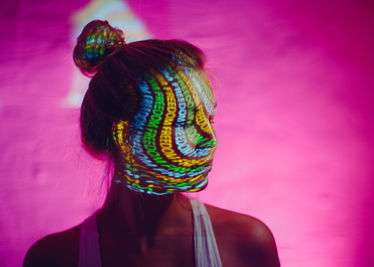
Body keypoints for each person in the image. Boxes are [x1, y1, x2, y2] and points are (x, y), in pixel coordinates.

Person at [23, 20, 280, 267]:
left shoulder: (247, 243)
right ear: (124, 136)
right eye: (185, 122)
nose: (210, 139)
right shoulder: (54, 259)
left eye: (210, 118)